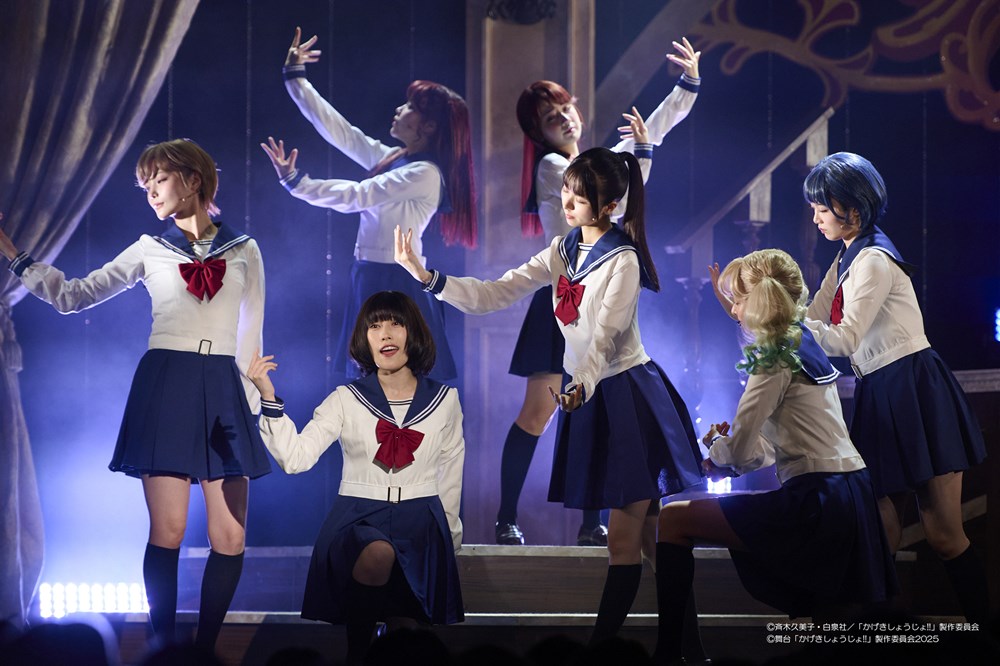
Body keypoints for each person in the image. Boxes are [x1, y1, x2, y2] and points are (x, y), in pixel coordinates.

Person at [394, 147, 704, 645]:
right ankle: (685, 648)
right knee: (648, 541)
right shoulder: (563, 250)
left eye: (580, 196)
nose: (568, 202)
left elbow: (605, 339)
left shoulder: (623, 259)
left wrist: (579, 384)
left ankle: (609, 653)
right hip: (590, 394)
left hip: (626, 397)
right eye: (566, 191)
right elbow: (496, 292)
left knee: (625, 543)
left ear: (609, 206)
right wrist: (428, 278)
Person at [0, 139, 271, 652]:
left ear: (193, 180)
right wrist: (15, 256)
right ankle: (163, 648)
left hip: (224, 387)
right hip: (167, 384)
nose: (151, 193)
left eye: (159, 180)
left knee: (231, 537)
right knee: (168, 531)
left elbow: (251, 335)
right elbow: (74, 295)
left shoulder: (244, 250)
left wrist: (252, 409)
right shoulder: (149, 248)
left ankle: (203, 653)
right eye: (145, 185)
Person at [497, 38, 702, 547]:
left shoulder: (590, 165)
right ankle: (505, 518)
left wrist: (687, 85)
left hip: (597, 295)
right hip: (562, 298)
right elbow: (623, 189)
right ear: (538, 133)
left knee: (593, 405)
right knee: (539, 413)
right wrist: (643, 150)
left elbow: (646, 137)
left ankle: (591, 524)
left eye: (567, 108)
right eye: (552, 118)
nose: (565, 118)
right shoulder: (555, 168)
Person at [654, 249, 897, 664]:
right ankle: (683, 654)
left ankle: (673, 656)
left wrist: (717, 450)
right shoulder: (803, 340)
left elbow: (742, 447)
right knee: (827, 620)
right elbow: (767, 450)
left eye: (737, 300)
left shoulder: (774, 359)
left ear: (760, 299)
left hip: (817, 497)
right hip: (850, 491)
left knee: (674, 519)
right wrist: (728, 459)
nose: (733, 310)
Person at [800, 152, 989, 627]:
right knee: (879, 529)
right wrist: (763, 313)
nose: (816, 218)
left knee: (944, 534)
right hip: (878, 391)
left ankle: (989, 636)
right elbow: (813, 316)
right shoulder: (846, 256)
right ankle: (869, 638)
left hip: (913, 388)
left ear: (852, 208)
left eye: (822, 208)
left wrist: (783, 327)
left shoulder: (874, 260)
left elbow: (842, 338)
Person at [247, 291, 464, 666]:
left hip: (421, 520)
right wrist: (269, 398)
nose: (385, 334)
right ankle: (357, 654)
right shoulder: (346, 399)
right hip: (360, 517)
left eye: (395, 323)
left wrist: (450, 537)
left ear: (413, 332)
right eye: (374, 326)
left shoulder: (445, 400)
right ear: (364, 338)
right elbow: (297, 458)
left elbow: (451, 474)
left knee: (406, 636)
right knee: (377, 552)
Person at [261, 27, 477, 381]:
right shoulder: (396, 160)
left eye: (410, 107)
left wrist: (297, 182)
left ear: (428, 126)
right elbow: (343, 133)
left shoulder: (424, 173)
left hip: (397, 280)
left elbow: (358, 195)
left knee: (399, 380)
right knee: (370, 378)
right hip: (371, 274)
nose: (400, 109)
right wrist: (296, 78)